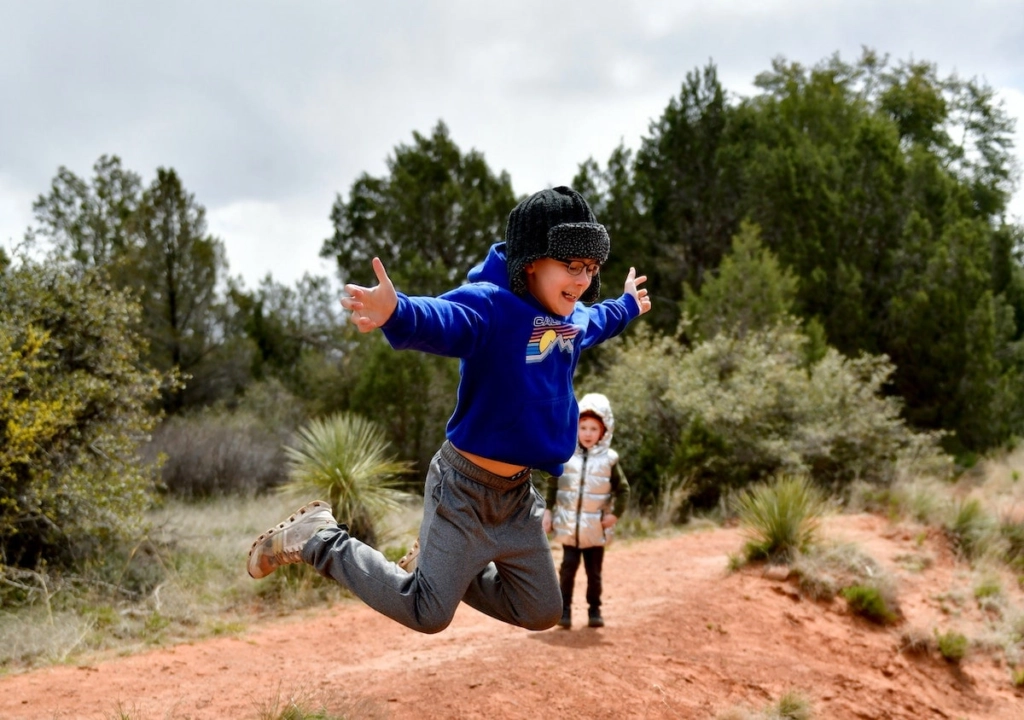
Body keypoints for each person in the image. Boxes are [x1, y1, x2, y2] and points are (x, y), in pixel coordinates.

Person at [246, 186, 651, 634]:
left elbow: (600, 319)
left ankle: (444, 566)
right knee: (428, 612)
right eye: (571, 266)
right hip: (463, 490)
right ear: (532, 261)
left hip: (517, 497)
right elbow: (445, 319)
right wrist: (396, 311)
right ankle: (320, 539)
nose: (581, 281)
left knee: (542, 610)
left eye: (590, 269)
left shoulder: (570, 321)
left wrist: (628, 304)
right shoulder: (491, 307)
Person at [542, 392, 628, 629]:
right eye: (583, 427)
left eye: (594, 428)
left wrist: (615, 514)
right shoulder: (566, 456)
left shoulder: (609, 460)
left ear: (604, 431)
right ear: (575, 427)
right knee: (567, 571)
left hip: (595, 529)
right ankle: (564, 612)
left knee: (594, 575)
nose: (588, 433)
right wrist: (547, 512)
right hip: (569, 527)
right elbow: (553, 484)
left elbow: (624, 491)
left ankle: (594, 611)